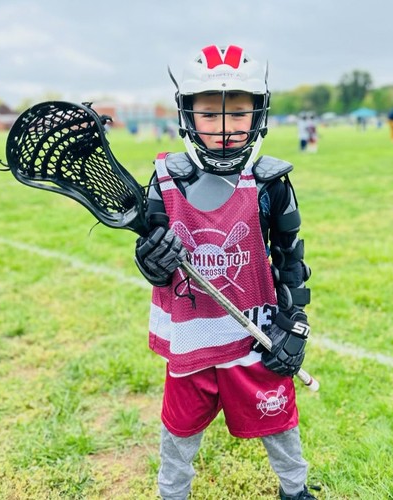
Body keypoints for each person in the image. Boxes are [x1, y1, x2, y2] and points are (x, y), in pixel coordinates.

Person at [134, 45, 315, 500]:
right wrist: (151, 262)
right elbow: (158, 265)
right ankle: (172, 493)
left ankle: (295, 490)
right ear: (187, 115)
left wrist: (295, 325)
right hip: (191, 337)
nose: (225, 128)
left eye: (237, 113)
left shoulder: (270, 182)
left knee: (279, 423)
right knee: (178, 434)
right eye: (209, 114)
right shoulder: (165, 180)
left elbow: (290, 262)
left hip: (256, 333)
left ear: (258, 113)